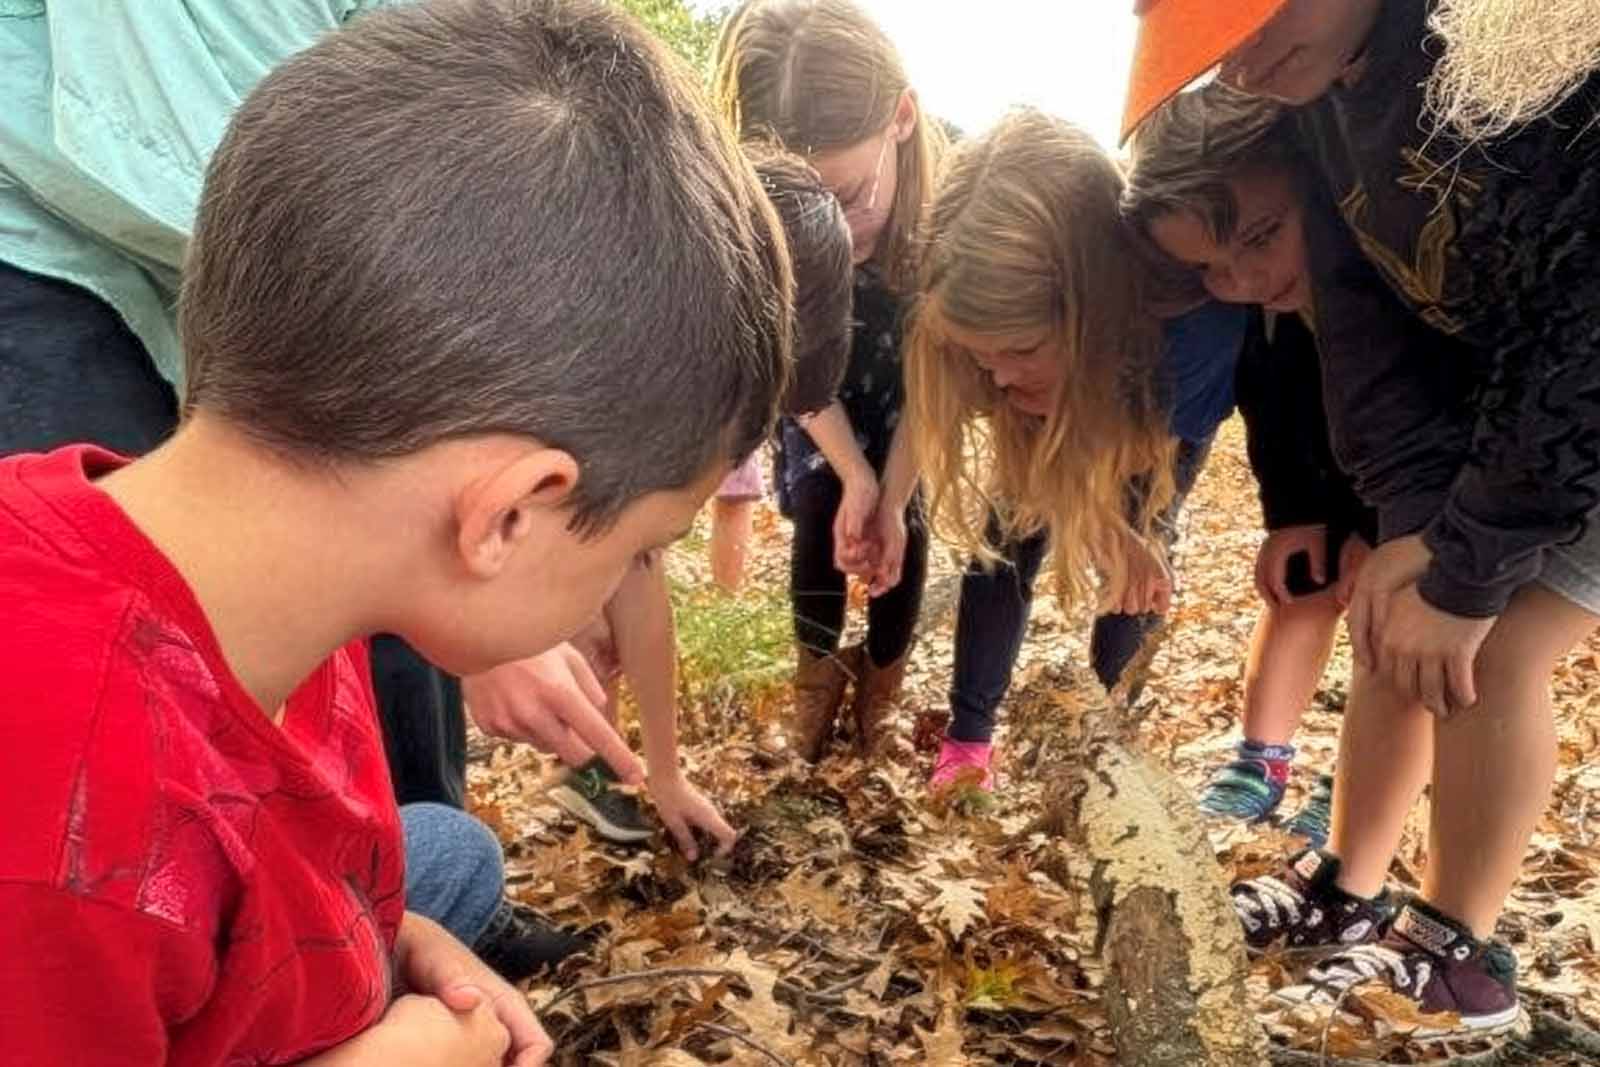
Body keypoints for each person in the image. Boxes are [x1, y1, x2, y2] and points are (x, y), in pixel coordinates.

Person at [0, 1, 791, 1063]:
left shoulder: (289, 611)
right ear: (507, 513)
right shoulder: (60, 827)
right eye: (638, 548)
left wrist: (405, 939)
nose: (628, 575)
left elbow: (317, 866)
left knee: (450, 855)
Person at [1124, 0, 1600, 1034]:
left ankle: (1455, 949)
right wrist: (1417, 526)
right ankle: (1350, 883)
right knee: (1393, 615)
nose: (1239, 57)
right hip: (1509, 414)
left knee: (1494, 646)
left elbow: (1580, 328)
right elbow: (1367, 336)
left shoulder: (1515, 46)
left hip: (1573, 415)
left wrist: (1466, 566)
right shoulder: (1324, 104)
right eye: (1209, 39)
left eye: (1250, 16)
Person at [904, 107, 1247, 795]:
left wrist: (1108, 523)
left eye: (1020, 349)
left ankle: (1105, 731)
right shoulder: (1000, 348)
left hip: (1155, 412)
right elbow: (1019, 415)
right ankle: (969, 736)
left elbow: (1143, 460)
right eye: (980, 355)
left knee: (1141, 550)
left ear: (1087, 307)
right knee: (1008, 532)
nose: (996, 375)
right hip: (1062, 409)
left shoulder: (1201, 327)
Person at [552, 147, 854, 849]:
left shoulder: (644, 400)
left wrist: (663, 771)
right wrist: (508, 648)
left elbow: (640, 579)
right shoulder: (559, 354)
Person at [1122, 82, 1394, 845]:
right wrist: (1293, 516)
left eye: (1262, 237)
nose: (1243, 279)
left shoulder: (1383, 285)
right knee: (1299, 587)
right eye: (1209, 267)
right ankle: (1260, 758)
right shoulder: (1257, 313)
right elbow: (1271, 418)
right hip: (1327, 481)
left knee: (1384, 608)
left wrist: (1380, 532)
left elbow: (1419, 422)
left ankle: (1363, 774)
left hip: (1420, 496)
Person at [712, 0, 941, 761]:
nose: (830, 234)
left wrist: (892, 493)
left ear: (901, 117)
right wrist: (852, 474)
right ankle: (815, 682)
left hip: (918, 402)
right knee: (820, 504)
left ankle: (883, 693)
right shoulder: (758, 224)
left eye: (844, 196)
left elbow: (942, 382)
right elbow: (797, 373)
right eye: (799, 205)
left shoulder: (951, 217)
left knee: (907, 529)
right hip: (819, 397)